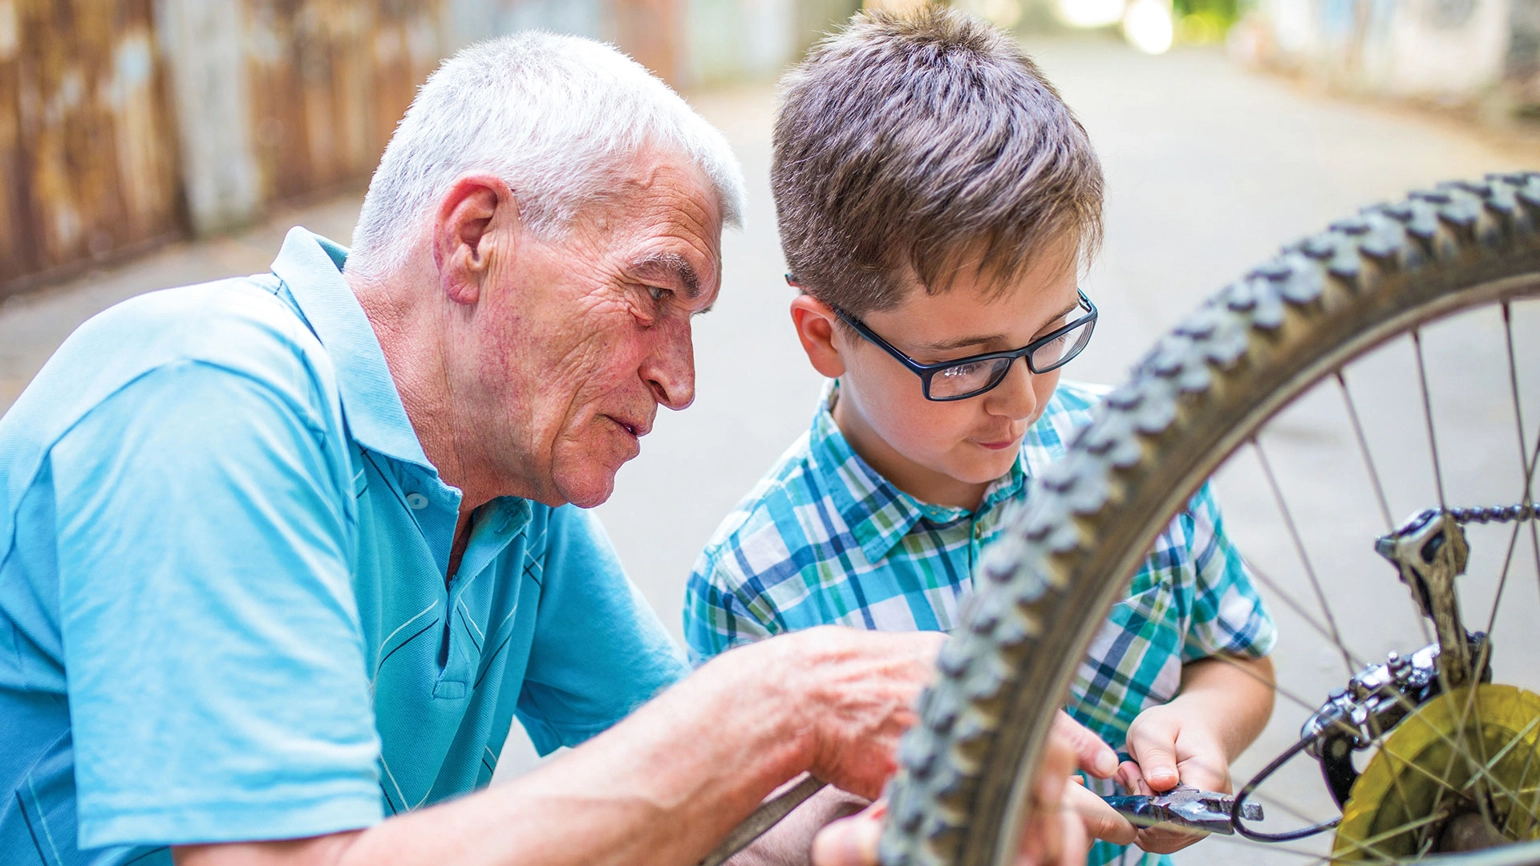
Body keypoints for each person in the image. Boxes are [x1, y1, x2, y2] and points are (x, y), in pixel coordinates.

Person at [0, 29, 1102, 866]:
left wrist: (952, 791)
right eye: (653, 295)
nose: (679, 377)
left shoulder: (510, 502)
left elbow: (728, 812)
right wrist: (786, 697)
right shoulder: (208, 393)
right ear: (475, 236)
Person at [683, 10, 1279, 865]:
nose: (1023, 398)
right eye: (962, 365)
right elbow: (754, 837)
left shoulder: (1138, 459)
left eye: (1051, 336)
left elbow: (1238, 658)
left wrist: (1200, 726)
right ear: (823, 337)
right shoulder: (753, 584)